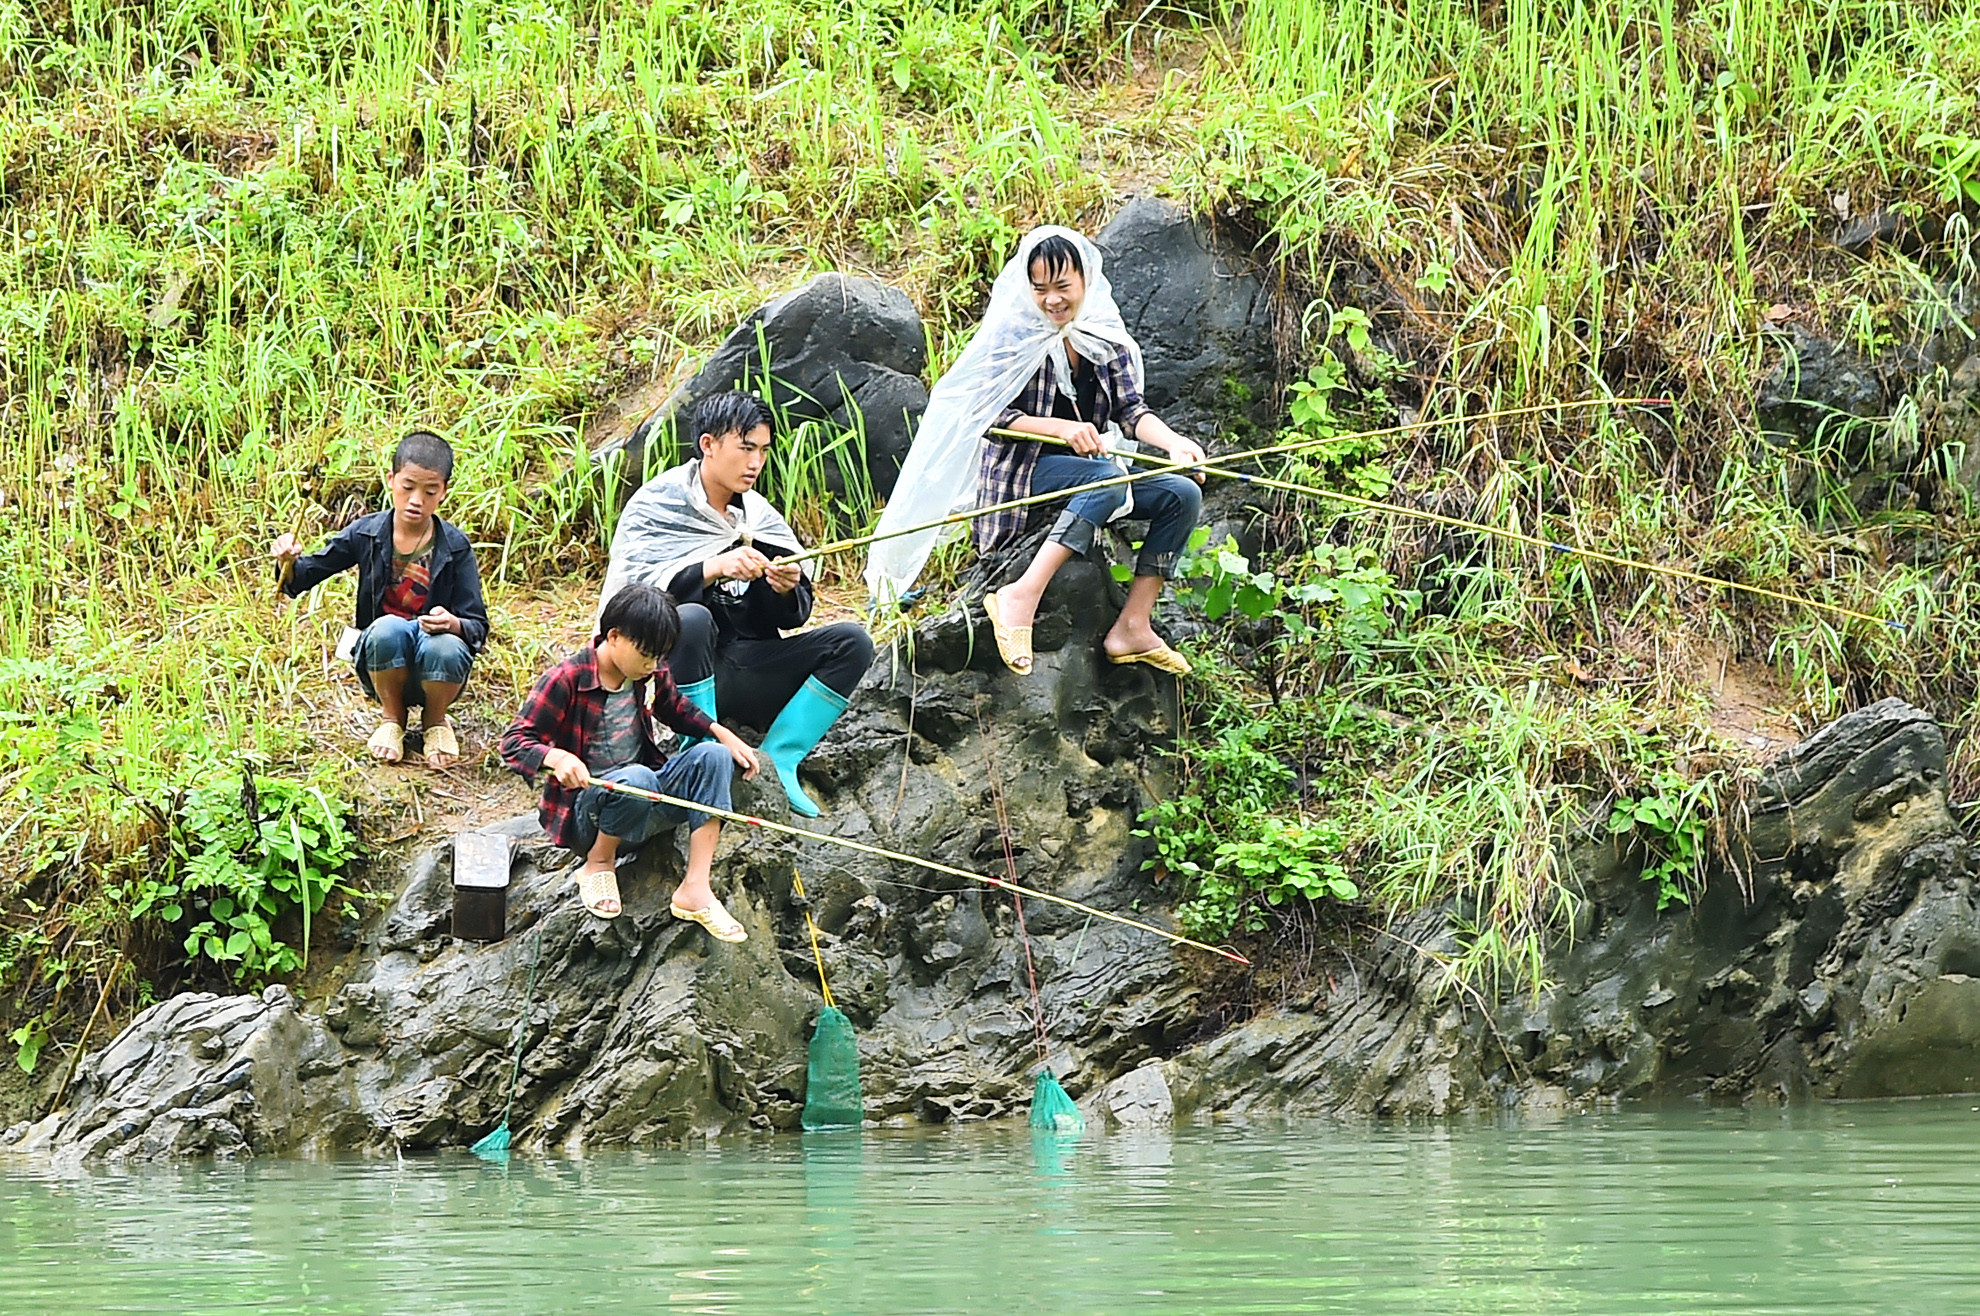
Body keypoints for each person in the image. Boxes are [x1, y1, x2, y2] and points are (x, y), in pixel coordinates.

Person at [863, 225, 1204, 676]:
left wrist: (1175, 443)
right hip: (1021, 476)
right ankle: (1019, 596)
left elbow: (1131, 411)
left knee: (1182, 494)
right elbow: (988, 416)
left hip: (1092, 476)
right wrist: (1060, 428)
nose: (1052, 300)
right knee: (1106, 478)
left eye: (1062, 286)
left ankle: (1132, 625)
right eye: (1040, 289)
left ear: (1086, 280)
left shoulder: (1104, 339)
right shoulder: (1013, 337)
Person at [599, 390, 873, 818]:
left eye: (763, 450)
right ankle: (702, 751)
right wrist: (710, 569)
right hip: (692, 678)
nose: (755, 462)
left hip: (758, 666)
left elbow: (794, 616)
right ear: (708, 444)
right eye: (746, 448)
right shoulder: (658, 506)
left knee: (853, 641)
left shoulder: (758, 516)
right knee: (691, 618)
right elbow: (634, 609)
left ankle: (780, 758)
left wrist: (784, 588)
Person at [499, 583, 761, 936]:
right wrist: (556, 758)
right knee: (637, 778)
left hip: (645, 800)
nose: (652, 665)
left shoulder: (648, 672)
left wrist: (721, 733)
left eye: (659, 657)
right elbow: (514, 742)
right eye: (646, 655)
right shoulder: (567, 678)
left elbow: (674, 707)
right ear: (614, 636)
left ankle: (695, 888)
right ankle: (599, 863)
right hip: (590, 815)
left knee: (712, 756)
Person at [271, 430, 488, 768]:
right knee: (388, 629)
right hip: (383, 659)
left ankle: (435, 721)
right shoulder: (366, 533)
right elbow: (302, 577)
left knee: (445, 645)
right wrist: (288, 561)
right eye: (408, 487)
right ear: (391, 480)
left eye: (429, 491)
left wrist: (453, 624)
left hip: (436, 664)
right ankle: (392, 718)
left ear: (443, 492)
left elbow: (477, 625)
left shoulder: (455, 546)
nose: (416, 500)